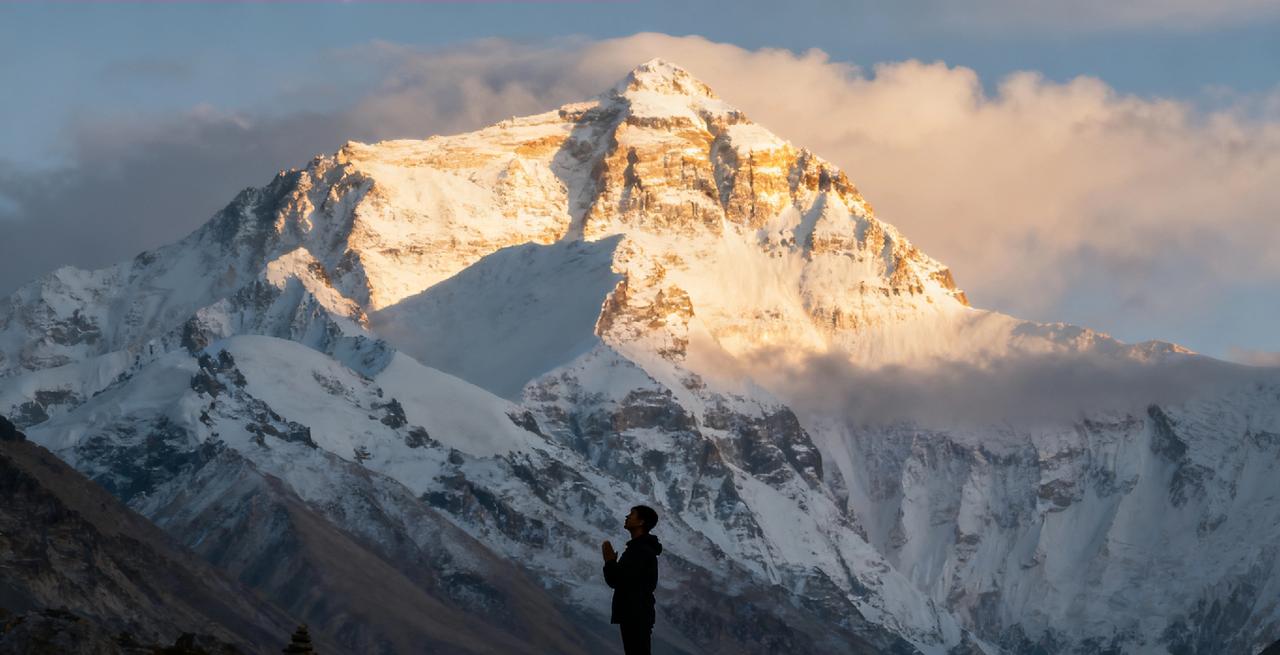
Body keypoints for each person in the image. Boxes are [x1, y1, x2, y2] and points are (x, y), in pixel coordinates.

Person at [602, 505, 662, 655]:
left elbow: (617, 581)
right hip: (637, 612)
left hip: (635, 613)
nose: (627, 516)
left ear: (641, 522)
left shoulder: (639, 551)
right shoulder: (640, 549)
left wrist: (609, 562)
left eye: (632, 514)